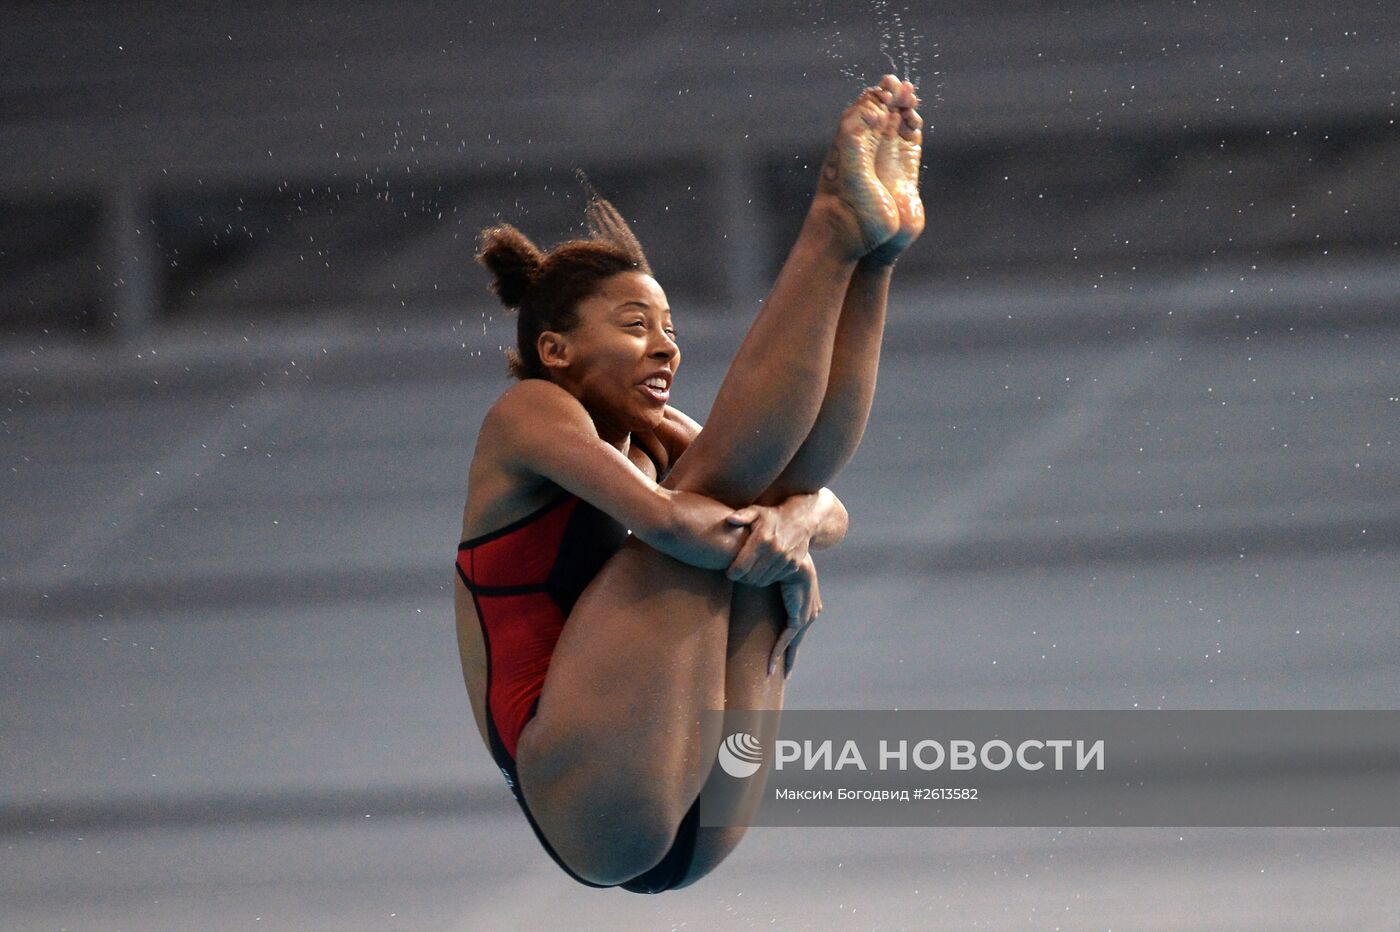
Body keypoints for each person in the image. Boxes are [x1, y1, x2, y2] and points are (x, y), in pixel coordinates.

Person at [454, 75, 924, 893]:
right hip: (586, 801)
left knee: (773, 485)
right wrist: (782, 540)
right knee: (727, 492)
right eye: (637, 328)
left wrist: (798, 528)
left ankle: (874, 254)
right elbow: (669, 525)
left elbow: (828, 508)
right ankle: (833, 227)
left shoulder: (656, 435)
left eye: (670, 330)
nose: (667, 349)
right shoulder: (528, 414)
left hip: (692, 818)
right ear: (558, 350)